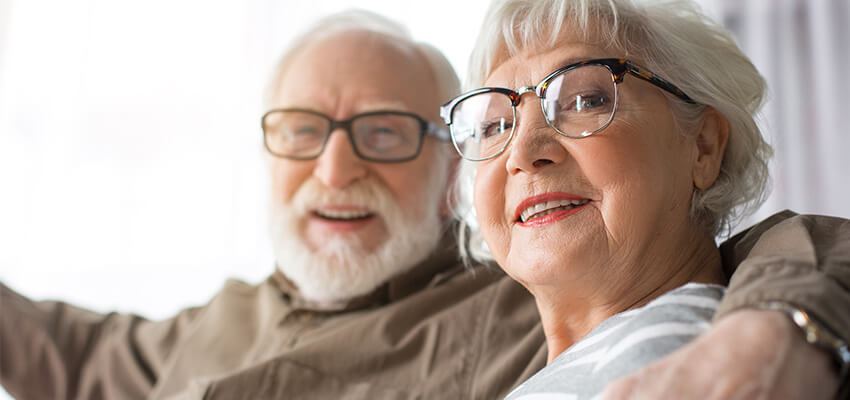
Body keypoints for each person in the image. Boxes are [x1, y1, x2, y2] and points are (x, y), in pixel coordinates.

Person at [1, 8, 848, 400]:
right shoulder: (216, 319)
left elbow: (769, 253)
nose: (333, 169)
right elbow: (61, 349)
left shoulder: (515, 296)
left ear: (448, 172)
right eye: (302, 130)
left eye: (382, 134)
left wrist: (784, 328)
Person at [441, 0, 850, 399]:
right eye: (494, 125)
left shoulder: (700, 364)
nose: (523, 153)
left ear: (703, 147)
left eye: (586, 100)